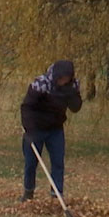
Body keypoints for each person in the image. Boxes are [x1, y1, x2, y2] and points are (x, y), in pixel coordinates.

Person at [19, 60, 83, 201]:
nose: (63, 81)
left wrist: (71, 94)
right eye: (61, 78)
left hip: (55, 129)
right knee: (31, 162)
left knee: (58, 162)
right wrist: (28, 129)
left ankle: (57, 195)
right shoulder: (41, 84)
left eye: (66, 78)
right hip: (35, 128)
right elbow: (27, 106)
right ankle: (28, 192)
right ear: (56, 75)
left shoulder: (72, 86)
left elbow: (76, 108)